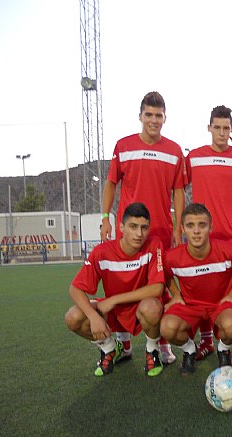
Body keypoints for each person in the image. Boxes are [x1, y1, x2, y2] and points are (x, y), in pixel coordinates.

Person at [99, 91, 184, 365]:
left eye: (158, 115)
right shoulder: (123, 146)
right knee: (123, 282)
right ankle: (123, 343)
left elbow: (179, 190)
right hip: (131, 233)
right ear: (140, 116)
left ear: (165, 118)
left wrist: (178, 227)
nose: (154, 120)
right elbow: (111, 183)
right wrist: (105, 217)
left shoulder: (174, 151)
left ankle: (162, 343)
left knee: (161, 289)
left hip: (160, 231)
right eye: (149, 115)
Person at [184, 105, 232, 358]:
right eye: (216, 127)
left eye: (226, 128)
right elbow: (176, 185)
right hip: (205, 236)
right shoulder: (194, 157)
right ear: (209, 128)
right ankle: (206, 339)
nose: (221, 132)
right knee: (205, 288)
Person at [64, 203, 165, 377]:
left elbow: (157, 288)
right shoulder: (101, 252)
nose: (139, 234)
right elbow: (75, 288)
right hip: (113, 311)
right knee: (73, 317)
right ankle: (109, 348)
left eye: (144, 228)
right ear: (121, 227)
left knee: (152, 308)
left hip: (140, 307)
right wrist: (93, 316)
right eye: (133, 227)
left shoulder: (154, 245)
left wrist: (114, 299)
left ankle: (152, 350)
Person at [160, 203, 232, 375]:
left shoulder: (228, 250)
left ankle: (223, 350)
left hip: (220, 304)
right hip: (190, 305)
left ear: (211, 227)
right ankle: (189, 350)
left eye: (202, 225)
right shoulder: (172, 257)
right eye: (190, 226)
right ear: (183, 229)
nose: (196, 231)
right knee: (167, 327)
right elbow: (166, 276)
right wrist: (176, 294)